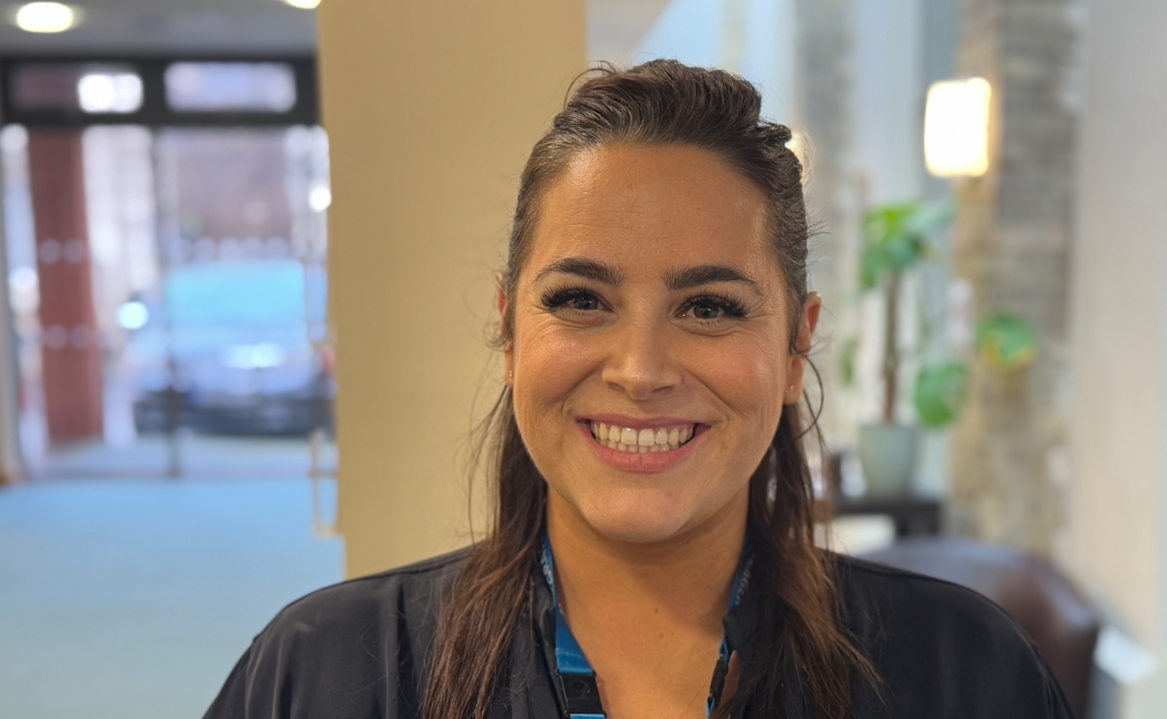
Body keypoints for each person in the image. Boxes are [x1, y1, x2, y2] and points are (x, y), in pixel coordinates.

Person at [205, 60, 1074, 719]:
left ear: (797, 340)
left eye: (709, 306)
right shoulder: (324, 670)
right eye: (581, 299)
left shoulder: (965, 672)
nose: (641, 369)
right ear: (511, 330)